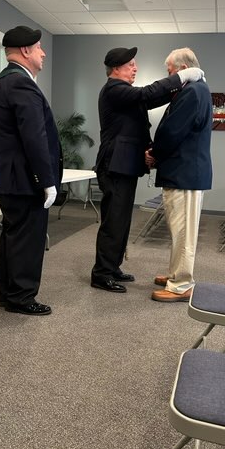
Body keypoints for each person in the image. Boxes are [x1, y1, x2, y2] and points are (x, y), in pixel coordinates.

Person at [91, 46, 203, 293]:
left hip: (124, 166)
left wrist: (179, 89)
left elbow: (151, 100)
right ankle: (101, 273)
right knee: (113, 222)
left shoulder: (125, 93)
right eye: (130, 64)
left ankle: (112, 267)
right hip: (114, 167)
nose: (135, 68)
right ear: (116, 68)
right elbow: (147, 94)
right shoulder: (113, 89)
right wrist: (182, 77)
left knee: (122, 221)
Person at [0, 26, 62, 315]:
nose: (43, 53)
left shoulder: (5, 80)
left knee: (14, 236)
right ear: (25, 50)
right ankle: (21, 297)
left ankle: (9, 293)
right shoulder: (20, 83)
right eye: (39, 47)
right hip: (25, 179)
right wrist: (46, 180)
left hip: (12, 177)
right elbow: (34, 137)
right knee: (28, 239)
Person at [145, 47, 212, 302]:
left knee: (184, 233)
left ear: (183, 69)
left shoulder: (193, 91)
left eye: (170, 71)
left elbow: (173, 131)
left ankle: (182, 285)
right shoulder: (196, 90)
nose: (169, 76)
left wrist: (154, 153)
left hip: (185, 173)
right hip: (184, 171)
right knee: (179, 230)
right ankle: (176, 274)